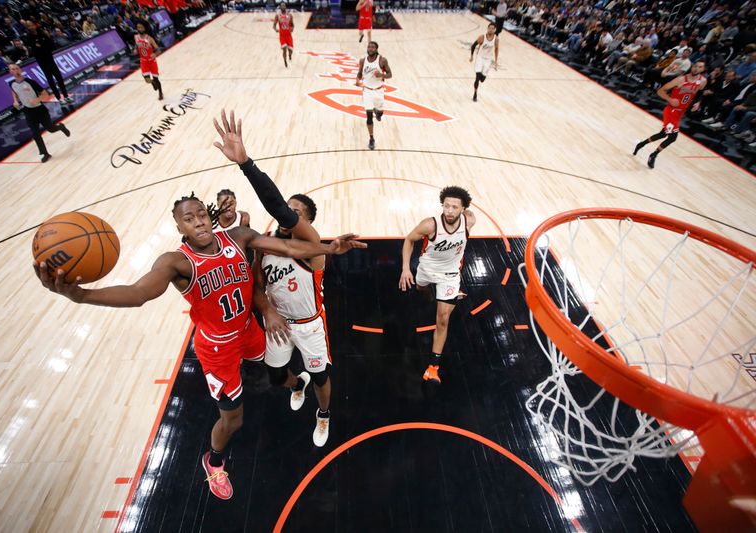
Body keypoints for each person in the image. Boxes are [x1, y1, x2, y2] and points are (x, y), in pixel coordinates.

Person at [35, 109, 366, 501]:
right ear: (180, 227)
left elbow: (292, 243)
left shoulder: (240, 238)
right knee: (234, 417)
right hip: (218, 346)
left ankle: (302, 387)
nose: (198, 221)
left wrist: (328, 247)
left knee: (280, 370)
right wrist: (80, 294)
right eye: (188, 218)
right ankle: (214, 461)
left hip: (256, 328)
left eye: (199, 214)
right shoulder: (176, 262)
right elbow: (140, 294)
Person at [253, 193, 333, 447]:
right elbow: (257, 287)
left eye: (296, 212)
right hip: (279, 323)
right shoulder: (264, 247)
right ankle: (298, 384)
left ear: (307, 222)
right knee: (276, 377)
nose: (287, 213)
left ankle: (323, 414)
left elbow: (292, 247)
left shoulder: (312, 247)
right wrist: (268, 311)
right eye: (287, 208)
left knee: (320, 376)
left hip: (310, 325)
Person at [399, 186, 475, 383]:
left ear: (463, 208)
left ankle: (433, 367)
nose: (449, 211)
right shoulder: (430, 225)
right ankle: (433, 295)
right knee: (421, 288)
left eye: (454, 207)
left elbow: (469, 217)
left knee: (442, 318)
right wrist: (406, 269)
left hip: (450, 274)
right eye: (446, 206)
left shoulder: (469, 220)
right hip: (426, 268)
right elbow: (409, 240)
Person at [633, 60, 707, 168]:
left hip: (681, 112)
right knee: (672, 137)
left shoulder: (703, 81)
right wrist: (670, 99)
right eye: (695, 66)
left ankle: (641, 144)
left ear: (703, 69)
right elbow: (660, 91)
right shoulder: (680, 79)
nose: (696, 68)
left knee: (663, 134)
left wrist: (698, 102)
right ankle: (653, 155)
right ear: (692, 67)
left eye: (700, 67)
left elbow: (700, 92)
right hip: (671, 110)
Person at [8, 63, 70, 163]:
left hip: (40, 109)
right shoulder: (12, 84)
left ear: (20, 69)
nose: (15, 71)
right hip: (28, 111)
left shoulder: (30, 82)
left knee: (51, 129)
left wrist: (37, 99)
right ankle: (45, 153)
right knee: (35, 134)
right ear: (10, 72)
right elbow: (14, 92)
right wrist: (15, 101)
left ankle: (61, 127)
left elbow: (46, 94)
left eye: (17, 68)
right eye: (13, 69)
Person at [24, 21, 72, 104]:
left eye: (31, 25)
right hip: (42, 61)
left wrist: (41, 46)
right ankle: (59, 98)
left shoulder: (42, 34)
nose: (31, 27)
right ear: (27, 28)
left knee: (59, 77)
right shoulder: (29, 37)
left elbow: (51, 45)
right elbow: (35, 50)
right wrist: (42, 47)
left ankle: (66, 96)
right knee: (50, 80)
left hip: (50, 59)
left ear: (34, 25)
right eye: (29, 26)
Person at [356, 41, 392, 151]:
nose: (370, 49)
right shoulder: (363, 60)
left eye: (372, 47)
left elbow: (390, 74)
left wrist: (381, 74)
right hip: (367, 91)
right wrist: (357, 79)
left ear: (376, 49)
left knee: (380, 113)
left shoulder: (382, 60)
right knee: (369, 116)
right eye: (369, 47)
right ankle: (371, 139)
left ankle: (378, 112)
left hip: (379, 91)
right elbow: (359, 73)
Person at [470, 22, 499, 102]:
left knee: (482, 79)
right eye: (489, 28)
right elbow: (473, 45)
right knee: (477, 76)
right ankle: (475, 94)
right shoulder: (482, 37)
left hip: (488, 59)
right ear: (487, 28)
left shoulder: (496, 39)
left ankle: (481, 78)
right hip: (480, 57)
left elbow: (496, 49)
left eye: (492, 28)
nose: (490, 30)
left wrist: (496, 61)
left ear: (495, 30)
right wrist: (472, 56)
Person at [134, 22, 163, 100]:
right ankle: (152, 82)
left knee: (156, 79)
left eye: (141, 27)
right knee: (147, 80)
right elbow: (136, 47)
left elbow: (158, 50)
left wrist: (155, 54)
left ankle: (160, 93)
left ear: (145, 28)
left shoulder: (149, 39)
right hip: (143, 61)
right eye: (138, 27)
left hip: (151, 61)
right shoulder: (136, 37)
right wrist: (135, 50)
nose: (140, 29)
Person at [272, 2, 293, 68]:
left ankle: (290, 55)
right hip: (282, 35)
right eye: (282, 6)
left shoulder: (290, 15)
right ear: (280, 7)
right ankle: (285, 61)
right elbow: (274, 25)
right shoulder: (277, 16)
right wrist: (276, 30)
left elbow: (292, 24)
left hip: (289, 35)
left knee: (290, 50)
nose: (283, 7)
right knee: (284, 49)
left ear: (286, 7)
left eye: (284, 5)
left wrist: (292, 29)